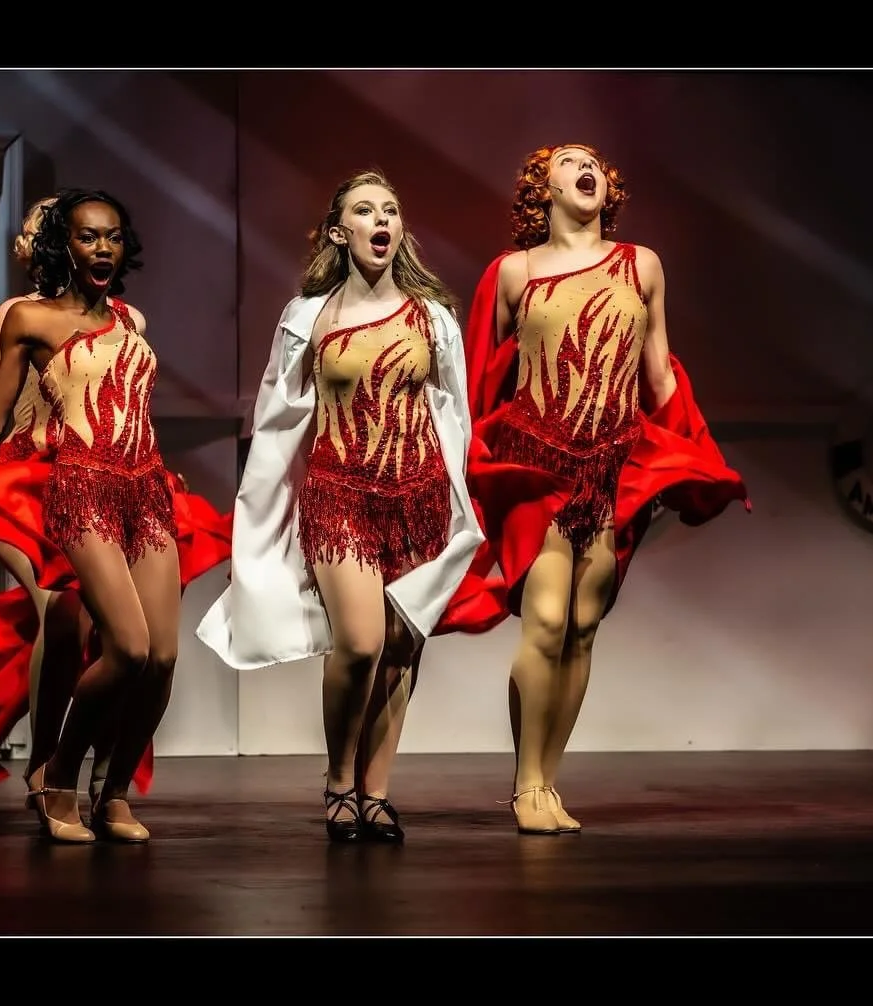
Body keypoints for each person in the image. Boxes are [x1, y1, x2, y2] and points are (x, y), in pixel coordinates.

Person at [0, 188, 210, 843]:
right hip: (46, 480)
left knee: (159, 656)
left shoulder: (132, 323)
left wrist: (157, 468)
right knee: (85, 623)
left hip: (138, 490)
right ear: (60, 243)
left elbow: (128, 406)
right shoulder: (22, 318)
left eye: (111, 235)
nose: (100, 246)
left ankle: (111, 794)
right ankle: (54, 772)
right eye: (83, 234)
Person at [460, 143, 750, 835]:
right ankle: (526, 784)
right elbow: (480, 375)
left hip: (611, 470)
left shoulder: (640, 265)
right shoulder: (513, 272)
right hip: (535, 466)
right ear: (544, 189)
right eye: (568, 161)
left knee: (583, 631)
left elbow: (658, 377)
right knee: (548, 619)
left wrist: (687, 456)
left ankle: (549, 783)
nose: (585, 167)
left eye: (593, 161)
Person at [196, 169, 484, 843]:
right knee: (360, 643)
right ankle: (337, 779)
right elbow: (276, 415)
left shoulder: (433, 318)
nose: (382, 219)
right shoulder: (308, 316)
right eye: (365, 210)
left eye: (391, 208)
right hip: (338, 495)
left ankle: (375, 792)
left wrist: (456, 496)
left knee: (401, 649)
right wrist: (261, 505)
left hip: (416, 497)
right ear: (339, 231)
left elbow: (454, 413)